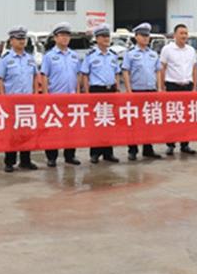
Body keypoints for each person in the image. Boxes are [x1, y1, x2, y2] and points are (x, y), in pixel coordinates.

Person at [0, 25, 40, 172]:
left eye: (23, 38)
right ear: (11, 41)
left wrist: (35, 94)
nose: (22, 41)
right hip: (11, 101)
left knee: (26, 131)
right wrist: (2, 97)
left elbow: (35, 77)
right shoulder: (6, 59)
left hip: (27, 101)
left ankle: (25, 160)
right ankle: (9, 161)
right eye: (18, 38)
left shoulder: (30, 59)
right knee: (12, 133)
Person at [41, 22, 82, 167]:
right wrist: (45, 95)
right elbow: (44, 76)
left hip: (71, 97)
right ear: (55, 38)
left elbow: (78, 75)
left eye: (67, 35)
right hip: (55, 97)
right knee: (53, 128)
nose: (65, 38)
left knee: (71, 128)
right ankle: (51, 157)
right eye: (62, 35)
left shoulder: (74, 55)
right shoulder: (49, 56)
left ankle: (70, 155)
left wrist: (78, 92)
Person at [122, 22, 163, 161]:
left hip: (150, 91)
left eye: (147, 35)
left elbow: (158, 71)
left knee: (148, 122)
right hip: (136, 91)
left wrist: (159, 88)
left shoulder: (153, 54)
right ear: (136, 36)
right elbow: (126, 72)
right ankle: (132, 150)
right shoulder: (130, 54)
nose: (145, 38)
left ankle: (148, 149)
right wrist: (128, 90)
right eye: (142, 35)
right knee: (134, 123)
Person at [80, 23, 121, 163]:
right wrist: (86, 92)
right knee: (97, 123)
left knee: (109, 121)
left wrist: (117, 88)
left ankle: (108, 153)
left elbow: (117, 73)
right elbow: (85, 74)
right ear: (97, 39)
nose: (106, 39)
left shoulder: (113, 55)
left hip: (110, 90)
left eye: (107, 36)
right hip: (97, 90)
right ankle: (95, 153)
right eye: (103, 36)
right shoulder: (90, 56)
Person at [160, 24, 197, 155]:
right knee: (172, 116)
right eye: (181, 33)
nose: (184, 36)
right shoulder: (167, 49)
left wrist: (194, 86)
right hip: (172, 86)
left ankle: (185, 144)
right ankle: (170, 144)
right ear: (175, 35)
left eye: (186, 33)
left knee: (186, 117)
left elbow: (194, 68)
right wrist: (162, 87)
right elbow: (162, 68)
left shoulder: (191, 50)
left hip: (187, 86)